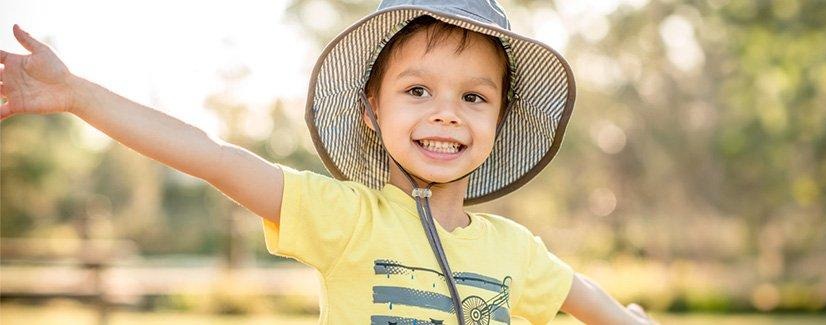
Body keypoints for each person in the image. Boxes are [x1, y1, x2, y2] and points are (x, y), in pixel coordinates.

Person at [0, 0, 654, 324]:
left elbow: (594, 302)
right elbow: (210, 156)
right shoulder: (344, 217)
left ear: (500, 119)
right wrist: (77, 94)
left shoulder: (519, 251)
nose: (447, 112)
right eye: (417, 89)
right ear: (372, 108)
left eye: (474, 96)